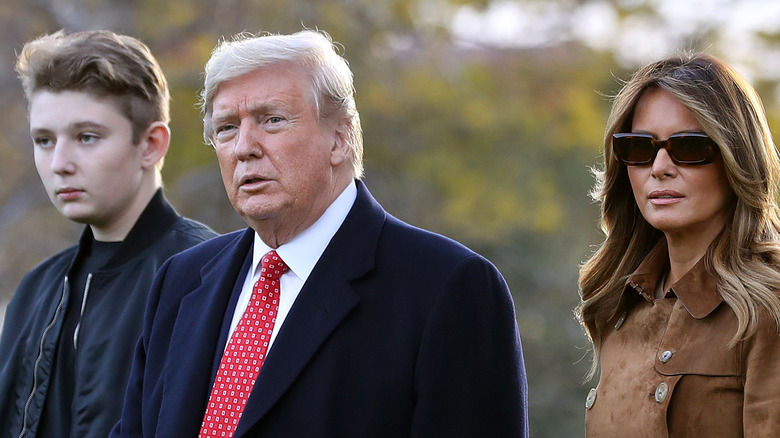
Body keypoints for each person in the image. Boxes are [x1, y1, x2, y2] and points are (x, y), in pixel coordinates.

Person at [110, 29, 528, 437]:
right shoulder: (180, 281)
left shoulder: (448, 286)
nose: (244, 147)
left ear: (340, 139)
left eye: (272, 120)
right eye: (226, 128)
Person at [0, 30, 217, 437]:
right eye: (44, 140)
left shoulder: (209, 277)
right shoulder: (35, 291)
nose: (60, 162)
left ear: (151, 144)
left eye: (87, 137)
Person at [577, 52, 780, 436]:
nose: (660, 167)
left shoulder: (769, 309)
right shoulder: (617, 306)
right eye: (639, 148)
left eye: (688, 147)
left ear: (736, 156)